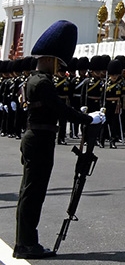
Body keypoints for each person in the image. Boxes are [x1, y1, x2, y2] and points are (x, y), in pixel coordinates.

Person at [15, 20, 101, 260]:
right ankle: (26, 244)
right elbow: (60, 110)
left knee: (29, 192)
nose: (61, 69)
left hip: (37, 136)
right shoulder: (43, 82)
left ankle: (24, 241)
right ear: (52, 60)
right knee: (34, 193)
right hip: (40, 138)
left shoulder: (33, 80)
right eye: (60, 64)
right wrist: (88, 119)